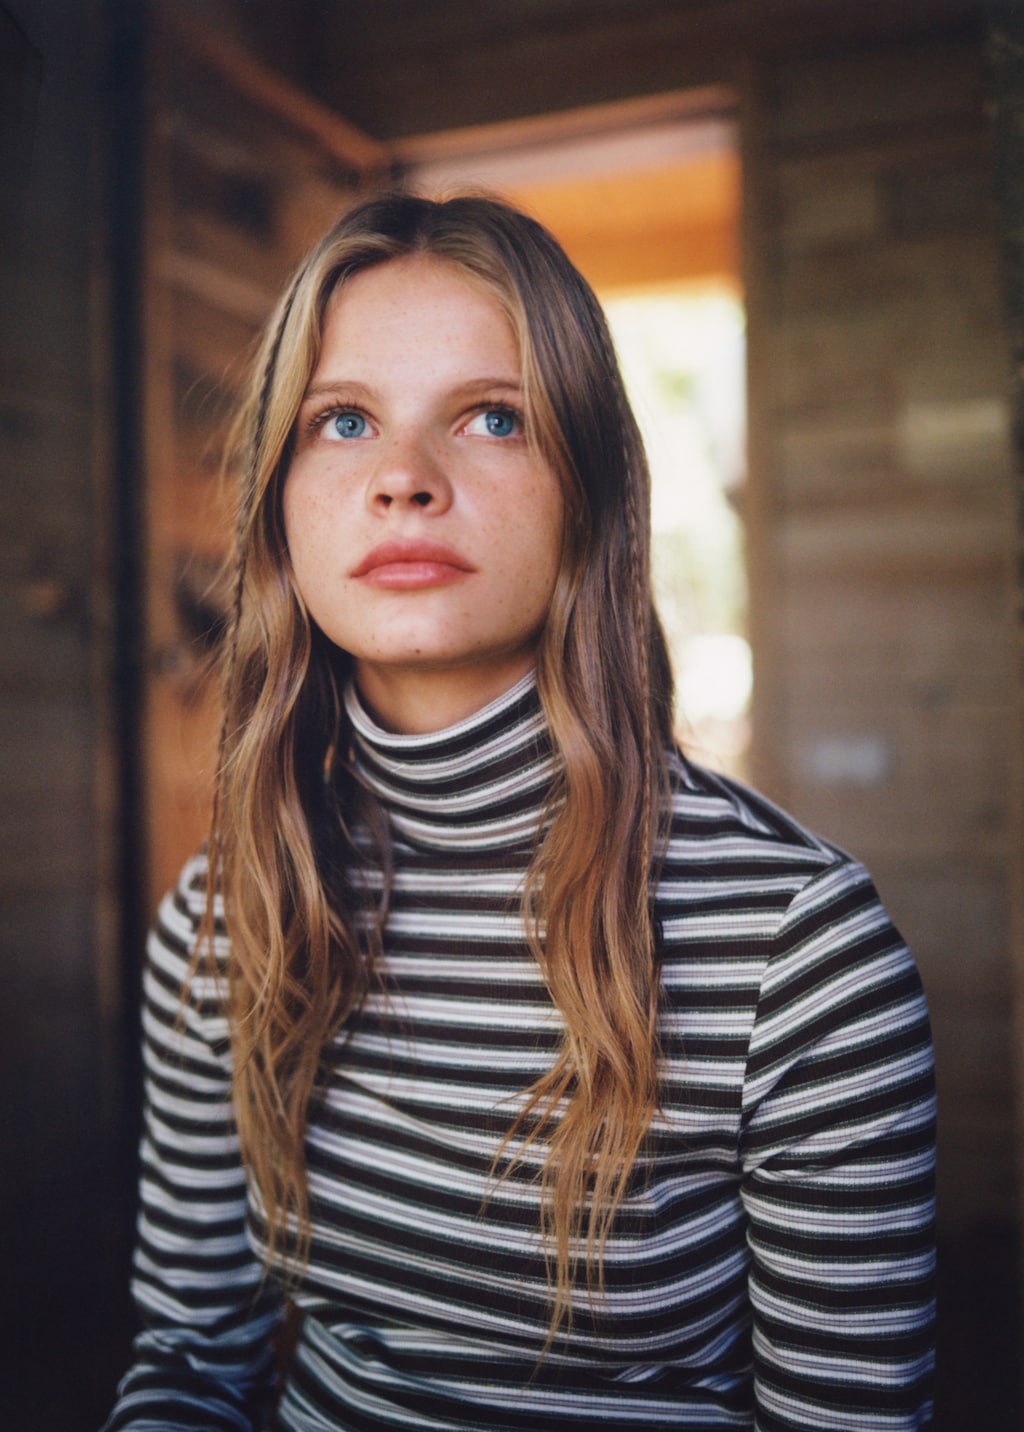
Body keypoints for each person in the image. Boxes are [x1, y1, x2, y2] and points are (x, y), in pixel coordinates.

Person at [104, 192, 935, 1432]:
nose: (403, 479)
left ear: (588, 488)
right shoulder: (217, 920)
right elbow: (187, 1358)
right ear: (280, 503)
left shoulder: (800, 952)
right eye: (344, 422)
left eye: (493, 416)